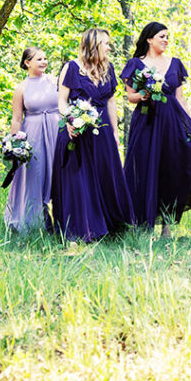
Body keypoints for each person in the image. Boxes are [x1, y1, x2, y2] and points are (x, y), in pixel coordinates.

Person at [121, 22, 191, 237]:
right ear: (149, 39)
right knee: (143, 168)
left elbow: (180, 98)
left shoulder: (175, 63)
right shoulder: (135, 64)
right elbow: (130, 96)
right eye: (162, 36)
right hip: (146, 122)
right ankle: (142, 224)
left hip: (172, 122)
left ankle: (167, 227)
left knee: (171, 169)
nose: (166, 40)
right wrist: (143, 95)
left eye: (167, 37)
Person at [50, 29, 133, 241]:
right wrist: (70, 120)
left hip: (102, 131)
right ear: (94, 45)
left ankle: (109, 226)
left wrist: (114, 131)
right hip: (76, 131)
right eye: (105, 43)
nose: (109, 48)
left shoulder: (108, 69)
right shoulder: (71, 68)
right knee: (79, 180)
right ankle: (81, 229)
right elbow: (62, 102)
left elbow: (111, 102)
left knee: (105, 175)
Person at [4, 47, 59, 232]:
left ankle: (61, 220)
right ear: (27, 63)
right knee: (34, 175)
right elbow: (16, 119)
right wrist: (15, 146)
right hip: (34, 134)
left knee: (58, 174)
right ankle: (34, 223)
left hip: (56, 132)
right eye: (39, 59)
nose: (44, 62)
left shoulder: (54, 81)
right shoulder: (21, 88)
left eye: (45, 58)